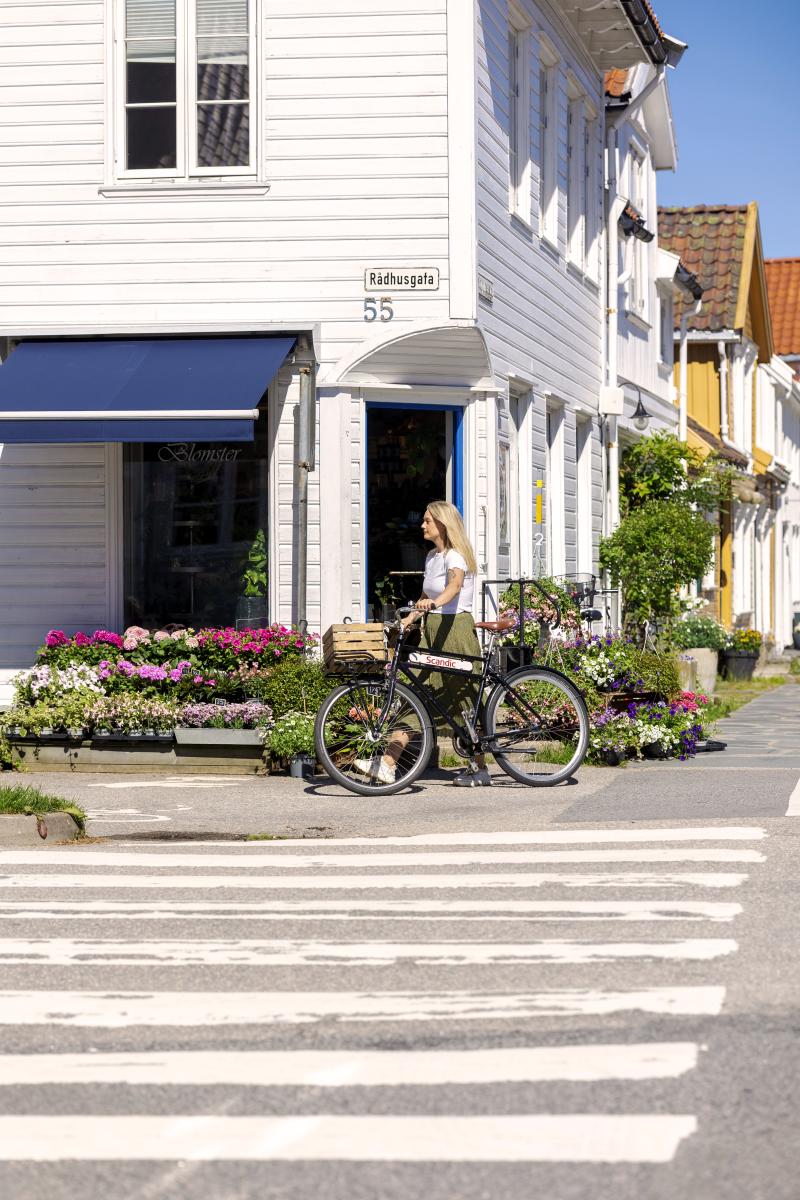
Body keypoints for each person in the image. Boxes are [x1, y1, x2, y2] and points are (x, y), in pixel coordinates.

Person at [354, 500, 491, 787]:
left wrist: (434, 604)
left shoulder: (455, 557)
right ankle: (387, 764)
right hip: (433, 631)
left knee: (465, 699)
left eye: (428, 521)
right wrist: (410, 619)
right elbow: (424, 598)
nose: (422, 525)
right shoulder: (431, 558)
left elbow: (453, 588)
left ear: (442, 524)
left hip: (456, 631)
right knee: (418, 693)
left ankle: (480, 767)